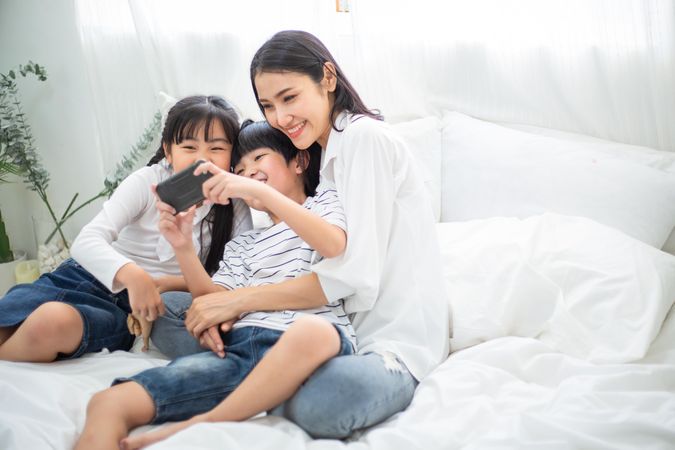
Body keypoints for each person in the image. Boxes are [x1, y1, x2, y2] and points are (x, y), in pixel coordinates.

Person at [181, 29, 451, 438]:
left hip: (393, 344)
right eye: (268, 106)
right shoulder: (327, 163)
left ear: (327, 78)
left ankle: (245, 379)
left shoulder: (364, 138)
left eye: (289, 98)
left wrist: (236, 302)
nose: (279, 118)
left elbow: (353, 274)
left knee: (320, 405)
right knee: (177, 310)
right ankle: (259, 371)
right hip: (335, 336)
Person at [75, 119, 356, 450]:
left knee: (314, 332)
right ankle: (236, 403)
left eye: (259, 158)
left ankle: (205, 421)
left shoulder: (324, 203)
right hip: (241, 350)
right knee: (108, 402)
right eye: (239, 168)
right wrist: (182, 246)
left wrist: (258, 190)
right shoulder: (244, 243)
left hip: (305, 344)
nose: (248, 172)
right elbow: (211, 303)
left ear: (300, 161)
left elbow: (333, 245)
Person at [0, 95, 251, 363]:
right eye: (189, 147)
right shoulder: (148, 182)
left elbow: (228, 280)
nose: (202, 160)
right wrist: (134, 275)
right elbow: (87, 241)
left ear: (232, 154)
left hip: (130, 309)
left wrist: (162, 284)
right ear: (168, 151)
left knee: (49, 323)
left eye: (216, 149)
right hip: (84, 277)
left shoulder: (234, 206)